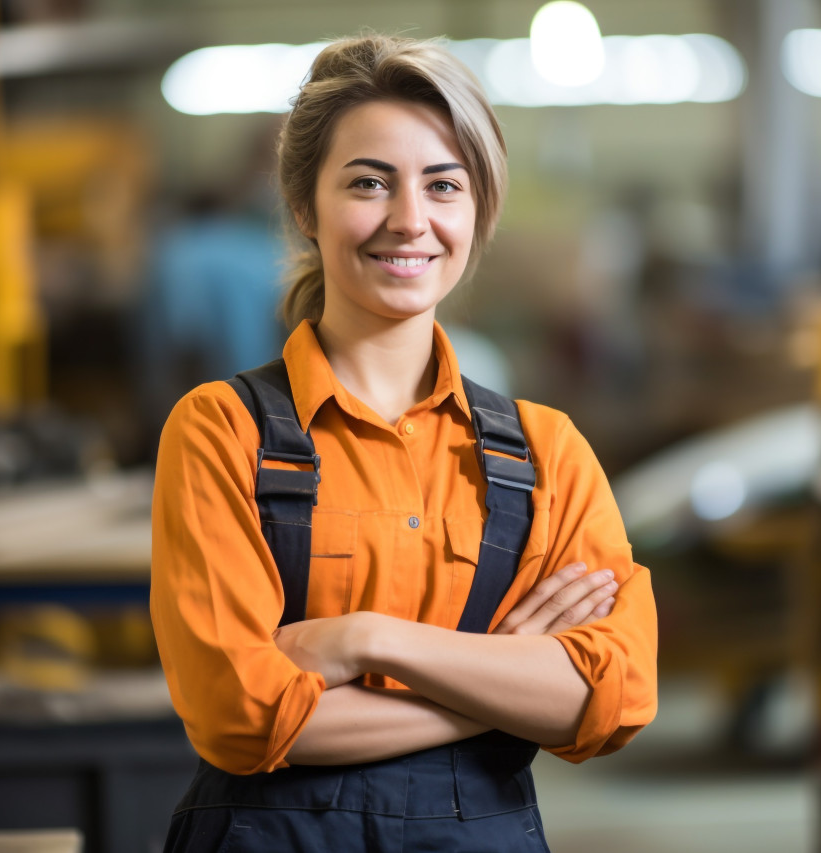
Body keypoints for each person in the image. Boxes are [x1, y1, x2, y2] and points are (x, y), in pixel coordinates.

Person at [149, 33, 657, 852]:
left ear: (478, 210)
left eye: (443, 185)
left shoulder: (546, 453)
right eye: (368, 183)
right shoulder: (222, 430)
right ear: (305, 207)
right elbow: (237, 713)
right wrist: (498, 677)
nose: (409, 219)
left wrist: (363, 640)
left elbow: (615, 696)